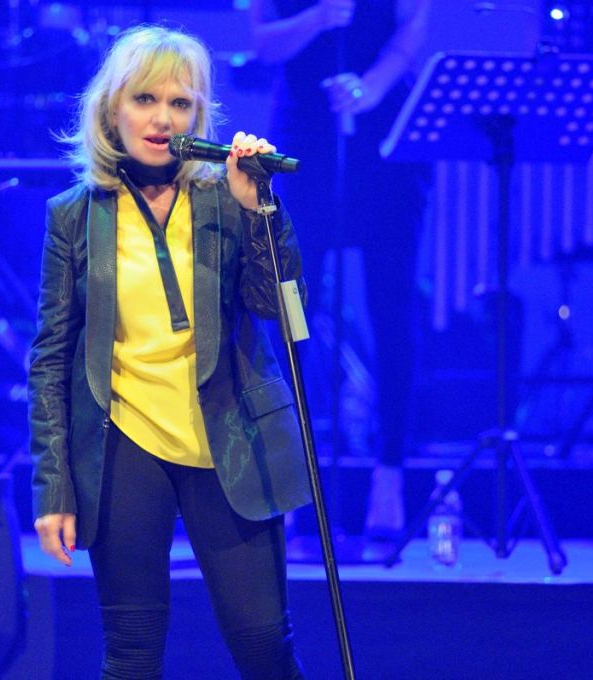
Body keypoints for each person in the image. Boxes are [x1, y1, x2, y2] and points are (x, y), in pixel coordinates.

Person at [28, 25, 310, 679]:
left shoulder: (227, 200)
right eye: (145, 99)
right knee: (131, 654)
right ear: (112, 110)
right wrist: (53, 488)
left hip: (228, 438)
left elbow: (281, 309)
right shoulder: (74, 215)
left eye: (180, 103)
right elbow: (50, 358)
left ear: (198, 115)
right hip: (124, 443)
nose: (162, 118)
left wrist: (259, 209)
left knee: (263, 645)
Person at [251, 0, 432, 544]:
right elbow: (264, 42)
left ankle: (389, 473)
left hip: (383, 140)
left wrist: (372, 86)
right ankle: (290, 475)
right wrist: (318, 18)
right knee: (289, 311)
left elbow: (410, 28)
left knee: (392, 307)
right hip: (304, 138)